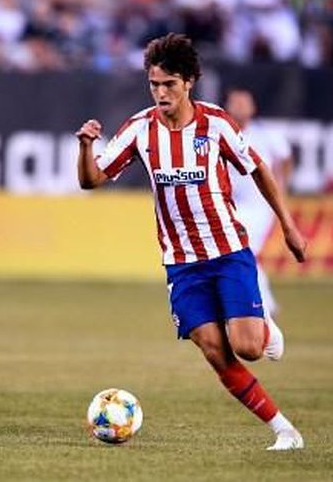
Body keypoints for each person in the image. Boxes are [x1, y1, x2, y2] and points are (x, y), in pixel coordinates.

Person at [76, 33, 306, 451]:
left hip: (228, 252)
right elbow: (91, 180)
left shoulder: (215, 123)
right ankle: (283, 430)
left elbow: (258, 170)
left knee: (248, 347)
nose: (160, 92)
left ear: (189, 83)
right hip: (181, 263)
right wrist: (86, 146)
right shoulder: (139, 129)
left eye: (169, 84)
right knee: (216, 352)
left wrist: (288, 226)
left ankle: (263, 328)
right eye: (153, 84)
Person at [225, 88, 293, 315]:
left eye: (244, 103)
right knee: (237, 252)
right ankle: (256, 302)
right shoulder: (221, 133)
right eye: (235, 103)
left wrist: (280, 188)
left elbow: (285, 159)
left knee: (244, 249)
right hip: (229, 204)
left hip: (258, 205)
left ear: (253, 108)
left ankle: (264, 303)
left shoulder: (266, 135)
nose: (240, 107)